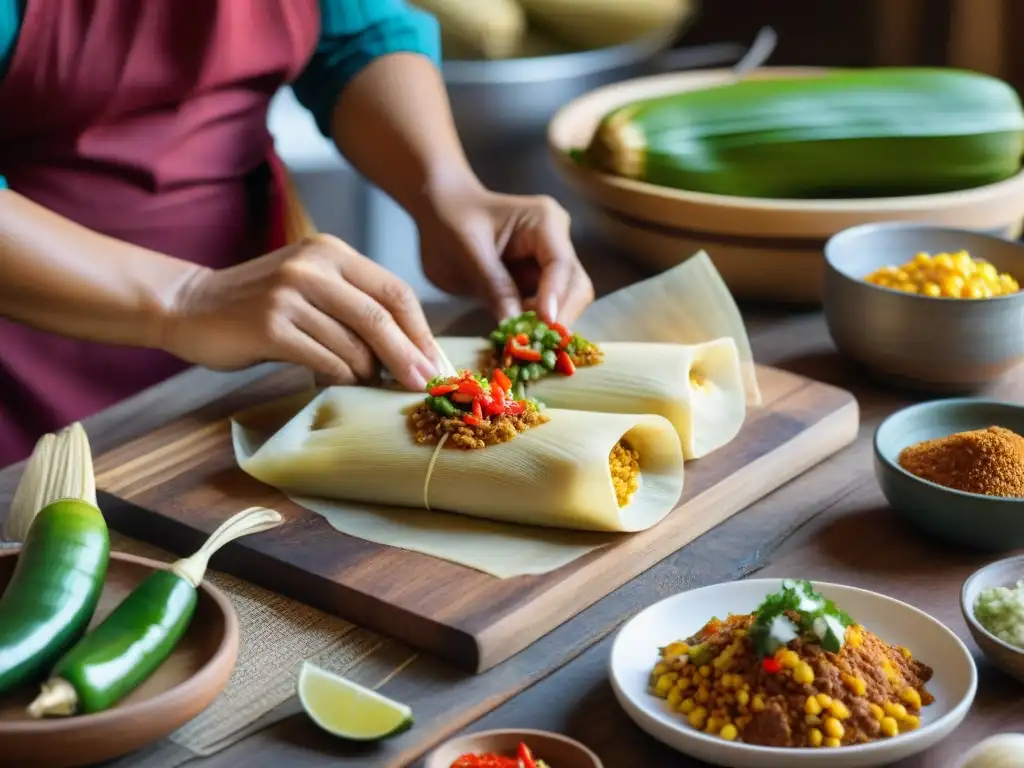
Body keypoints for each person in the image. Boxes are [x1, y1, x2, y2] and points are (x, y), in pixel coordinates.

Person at [0, 0, 595, 468]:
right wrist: (187, 300)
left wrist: (445, 189)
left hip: (261, 355)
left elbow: (353, 34)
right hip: (33, 356)